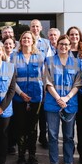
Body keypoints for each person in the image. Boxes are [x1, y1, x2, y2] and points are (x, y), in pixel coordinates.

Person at [44, 35, 82, 164]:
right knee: (53, 136)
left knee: (68, 136)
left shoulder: (77, 62)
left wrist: (66, 98)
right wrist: (58, 98)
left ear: (70, 46)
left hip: (70, 104)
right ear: (56, 45)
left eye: (66, 44)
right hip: (53, 103)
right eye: (61, 44)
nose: (64, 46)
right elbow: (47, 82)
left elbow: (77, 83)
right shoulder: (48, 61)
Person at [11, 31, 45, 164]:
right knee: (20, 127)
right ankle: (21, 156)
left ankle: (32, 155)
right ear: (21, 40)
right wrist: (20, 93)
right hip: (19, 97)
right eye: (24, 38)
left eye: (29, 38)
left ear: (33, 41)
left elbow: (44, 77)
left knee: (32, 128)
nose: (26, 40)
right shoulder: (14, 56)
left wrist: (44, 95)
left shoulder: (40, 57)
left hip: (36, 97)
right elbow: (12, 78)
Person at [67, 26, 82, 164]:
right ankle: (69, 152)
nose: (74, 37)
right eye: (71, 34)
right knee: (68, 126)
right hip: (69, 94)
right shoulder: (64, 50)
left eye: (76, 34)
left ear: (80, 36)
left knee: (81, 126)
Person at [30, 19, 53, 148]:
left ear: (40, 28)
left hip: (41, 82)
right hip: (28, 84)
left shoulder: (46, 43)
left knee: (43, 113)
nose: (35, 28)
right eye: (33, 26)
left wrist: (47, 84)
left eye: (37, 26)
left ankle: (43, 137)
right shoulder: (25, 41)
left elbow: (48, 64)